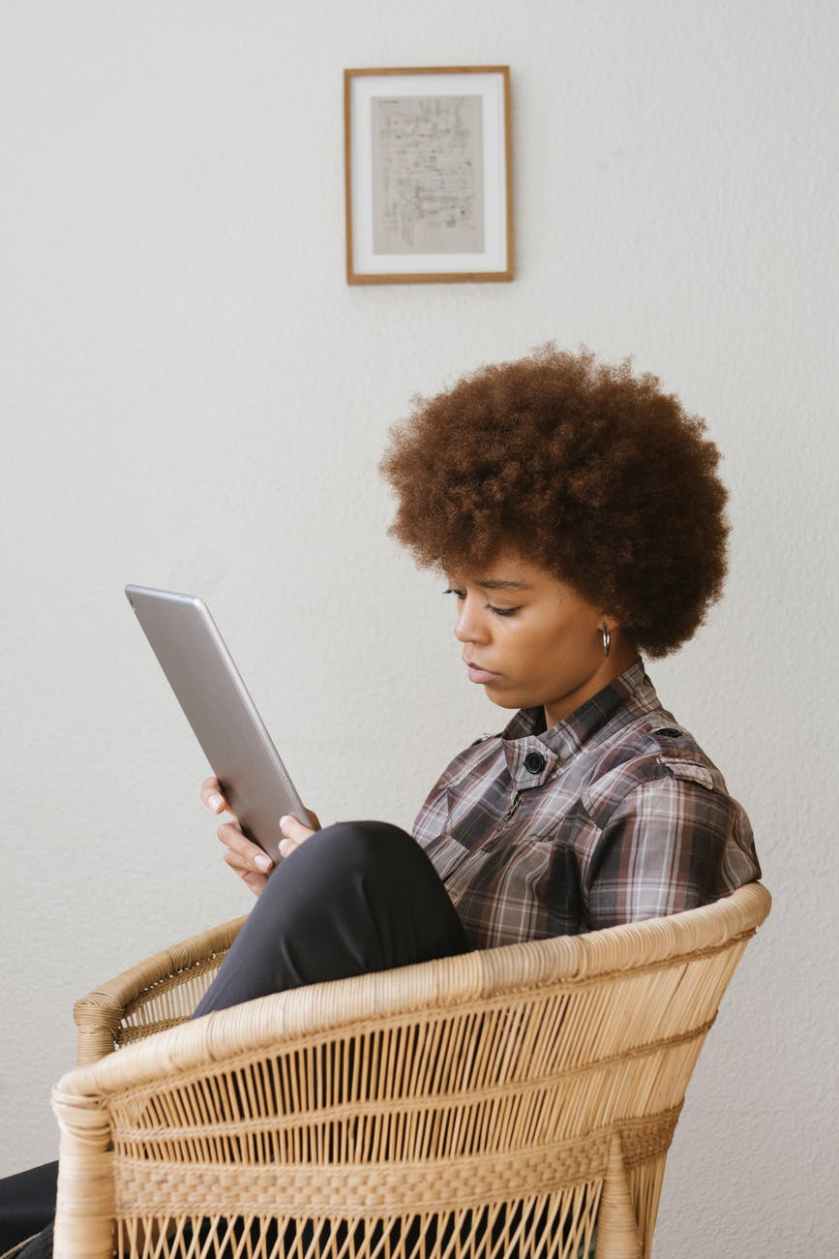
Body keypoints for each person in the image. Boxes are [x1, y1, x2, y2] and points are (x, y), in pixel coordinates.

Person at [0, 343, 762, 1259]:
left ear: (613, 601)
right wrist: (300, 886)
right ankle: (150, 1137)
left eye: (504, 604)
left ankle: (150, 1125)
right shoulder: (488, 762)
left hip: (483, 1176)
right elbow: (412, 956)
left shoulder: (660, 793)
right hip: (353, 1116)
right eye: (458, 592)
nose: (464, 626)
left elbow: (615, 1070)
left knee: (367, 860)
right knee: (35, 1197)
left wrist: (345, 878)